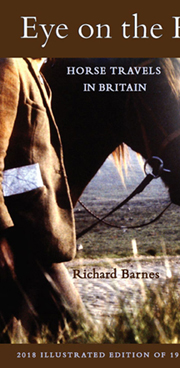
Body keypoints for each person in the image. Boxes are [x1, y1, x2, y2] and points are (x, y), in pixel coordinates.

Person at [0, 58, 84, 342]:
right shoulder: (8, 65)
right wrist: (1, 233)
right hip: (19, 240)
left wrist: (44, 191)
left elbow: (15, 163)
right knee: (73, 327)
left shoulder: (34, 72)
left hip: (33, 232)